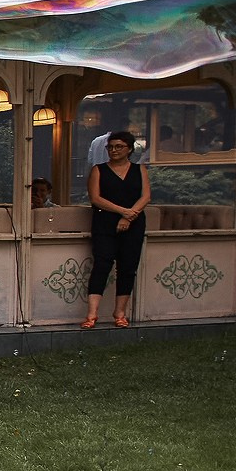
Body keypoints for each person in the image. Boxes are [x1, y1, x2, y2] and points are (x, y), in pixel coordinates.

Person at [84, 129, 151, 329]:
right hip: (105, 222)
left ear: (129, 149)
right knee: (102, 264)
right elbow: (96, 198)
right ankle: (92, 314)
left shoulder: (139, 170)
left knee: (128, 267)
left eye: (119, 147)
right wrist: (123, 212)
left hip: (134, 223)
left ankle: (120, 313)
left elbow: (146, 196)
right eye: (111, 147)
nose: (114, 150)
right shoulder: (99, 170)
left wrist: (129, 216)